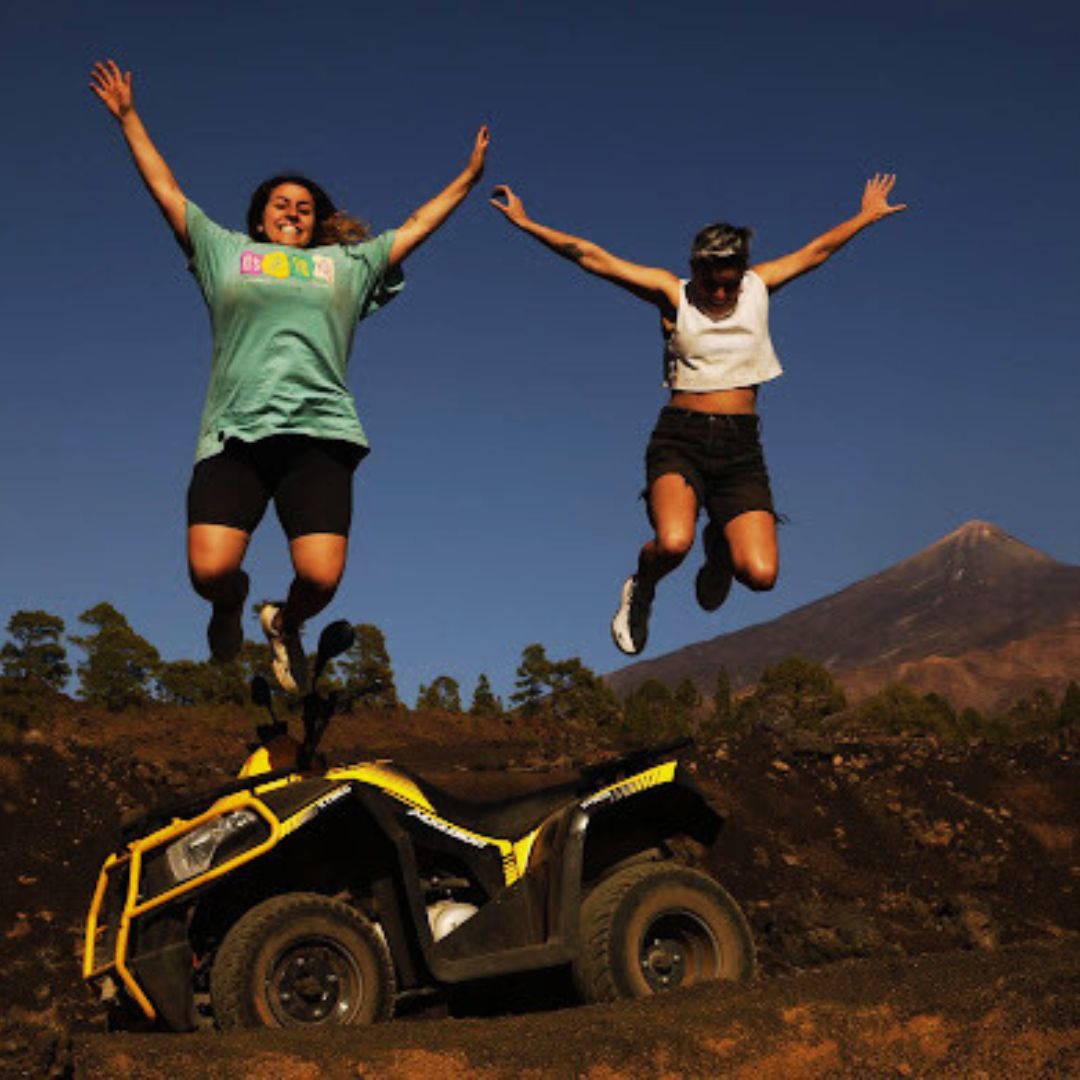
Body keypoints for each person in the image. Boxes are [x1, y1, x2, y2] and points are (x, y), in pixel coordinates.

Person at [90, 59, 489, 691]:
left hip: (320, 434)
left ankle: (285, 624)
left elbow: (413, 228)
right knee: (211, 570)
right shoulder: (225, 253)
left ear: (315, 220)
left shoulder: (348, 264)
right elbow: (167, 191)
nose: (294, 213)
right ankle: (231, 606)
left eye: (304, 208)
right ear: (260, 219)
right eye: (282, 205)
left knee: (322, 578)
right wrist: (130, 118)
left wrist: (466, 179)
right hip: (235, 433)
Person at [491, 176, 905, 655]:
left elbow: (816, 252)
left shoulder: (758, 287)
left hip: (740, 448)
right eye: (712, 283)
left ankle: (721, 551)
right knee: (671, 543)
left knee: (762, 575)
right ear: (695, 269)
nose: (722, 295)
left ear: (742, 272)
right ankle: (641, 590)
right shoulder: (673, 294)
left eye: (730, 284)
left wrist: (867, 215)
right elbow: (592, 257)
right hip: (680, 439)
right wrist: (526, 223)